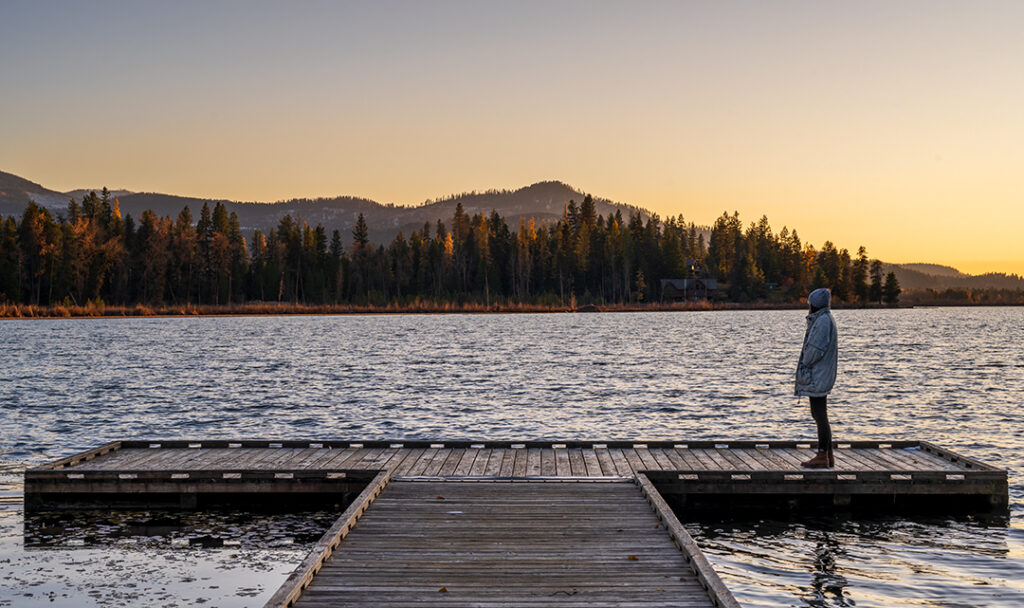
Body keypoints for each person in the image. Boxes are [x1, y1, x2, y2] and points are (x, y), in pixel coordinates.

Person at [795, 287, 838, 468]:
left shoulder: (822, 322)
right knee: (819, 413)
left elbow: (816, 349)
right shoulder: (825, 319)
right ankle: (828, 454)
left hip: (818, 374)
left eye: (810, 303)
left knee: (819, 414)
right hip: (821, 373)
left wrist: (805, 359)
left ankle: (822, 455)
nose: (808, 306)